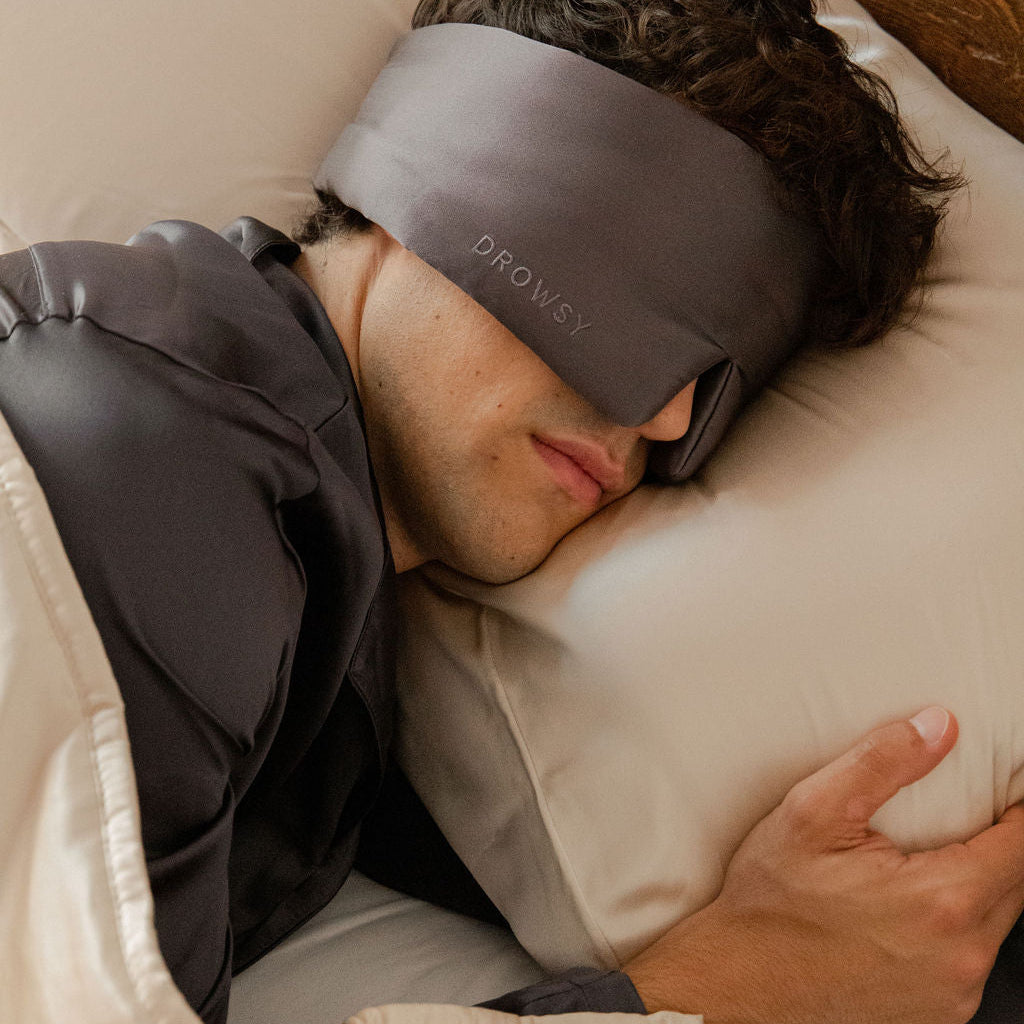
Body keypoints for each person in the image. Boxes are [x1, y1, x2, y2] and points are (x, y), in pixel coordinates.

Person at [1, 1, 1022, 1023]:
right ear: (443, 171)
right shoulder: (135, 450)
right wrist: (733, 985)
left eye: (717, 383)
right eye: (647, 288)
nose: (666, 416)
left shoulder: (307, 582)